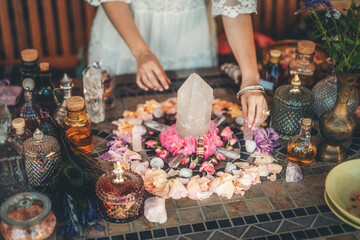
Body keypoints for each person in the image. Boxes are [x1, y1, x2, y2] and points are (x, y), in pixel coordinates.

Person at [86, 0, 268, 129]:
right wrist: (141, 52)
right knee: (117, 119)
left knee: (193, 115)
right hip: (126, 31)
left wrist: (250, 78)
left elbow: (233, 5)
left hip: (189, 36)